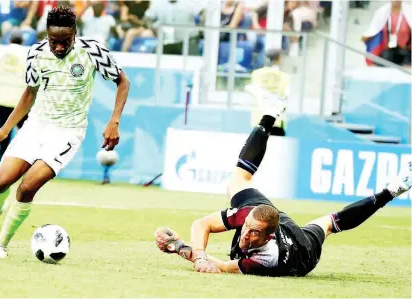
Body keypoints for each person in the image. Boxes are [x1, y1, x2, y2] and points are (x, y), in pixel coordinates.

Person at [154, 89, 412, 276]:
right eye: (247, 227)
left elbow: (220, 266)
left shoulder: (268, 259)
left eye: (254, 233)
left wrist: (178, 247)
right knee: (237, 180)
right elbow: (202, 224)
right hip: (278, 221)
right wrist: (197, 253)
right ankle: (271, 114)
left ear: (268, 236)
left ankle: (393, 190)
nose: (245, 235)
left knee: (331, 224)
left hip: (303, 251)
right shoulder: (250, 217)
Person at [0, 6, 130, 259]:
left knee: (26, 188)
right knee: (0, 183)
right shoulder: (35, 53)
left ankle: (0, 245)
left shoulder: (93, 51)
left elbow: (122, 81)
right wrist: (4, 130)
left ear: (75, 34)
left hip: (68, 131)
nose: (58, 47)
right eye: (54, 41)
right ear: (46, 34)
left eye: (64, 42)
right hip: (36, 125)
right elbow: (29, 93)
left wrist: (114, 121)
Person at [0, 30, 28, 159]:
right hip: (19, 101)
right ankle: (23, 160)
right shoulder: (26, 54)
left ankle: (2, 161)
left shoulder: (1, 53)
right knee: (24, 133)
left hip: (1, 98)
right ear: (22, 42)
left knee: (3, 131)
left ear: (9, 40)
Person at [245, 49, 288, 136]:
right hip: (276, 122)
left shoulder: (256, 74)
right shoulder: (284, 76)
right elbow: (284, 96)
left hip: (259, 121)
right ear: (279, 59)